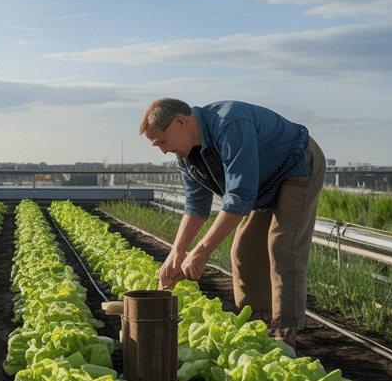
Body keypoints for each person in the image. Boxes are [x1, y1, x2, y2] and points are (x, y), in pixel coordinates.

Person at [139, 98, 326, 348]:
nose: (162, 150)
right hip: (264, 184)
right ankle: (256, 326)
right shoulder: (186, 157)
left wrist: (201, 251)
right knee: (243, 250)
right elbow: (196, 207)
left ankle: (284, 334)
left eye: (162, 141)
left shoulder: (230, 123)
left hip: (296, 165)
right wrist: (177, 251)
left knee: (282, 247)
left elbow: (239, 198)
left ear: (180, 122)